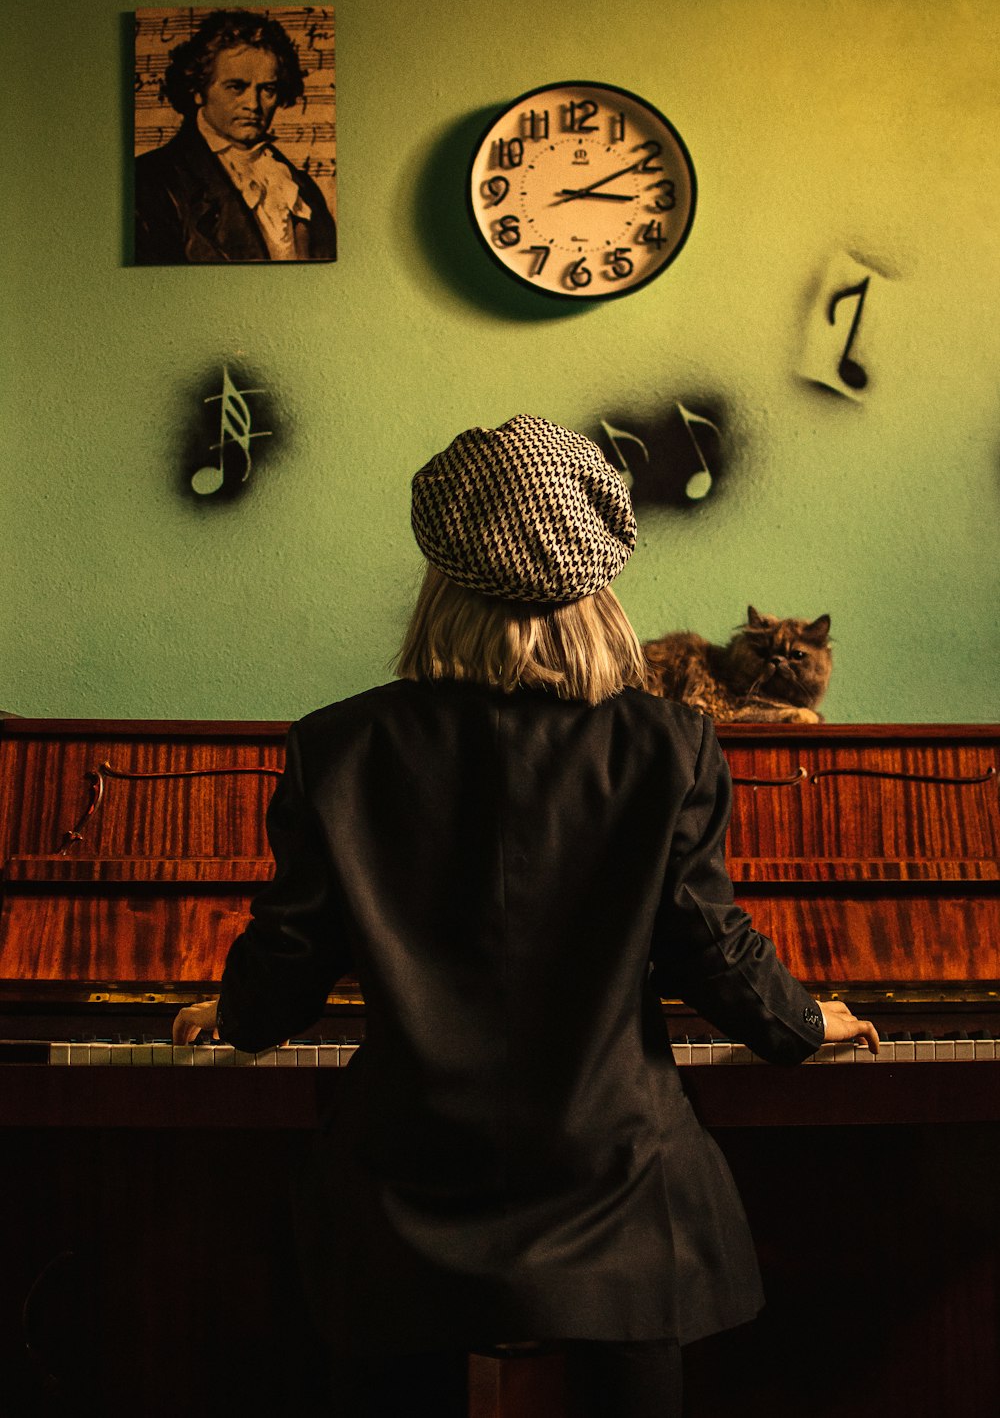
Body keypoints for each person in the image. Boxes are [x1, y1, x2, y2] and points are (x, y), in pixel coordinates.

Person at [174, 414, 877, 1417]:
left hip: (403, 1197)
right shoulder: (670, 745)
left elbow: (291, 955)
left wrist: (235, 1015)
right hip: (617, 1191)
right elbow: (710, 949)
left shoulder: (340, 746)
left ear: (439, 581)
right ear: (597, 589)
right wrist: (805, 1023)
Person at [135, 9, 337, 264]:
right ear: (199, 89)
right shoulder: (150, 182)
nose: (252, 104)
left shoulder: (301, 188)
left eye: (268, 89)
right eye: (236, 87)